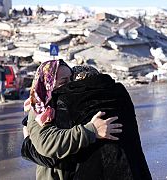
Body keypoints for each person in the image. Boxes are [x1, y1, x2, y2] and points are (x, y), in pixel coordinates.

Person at [22, 61, 151, 179]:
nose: (69, 86)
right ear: (48, 82)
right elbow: (50, 152)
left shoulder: (65, 103)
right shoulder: (39, 109)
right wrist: (91, 130)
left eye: (71, 80)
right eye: (63, 81)